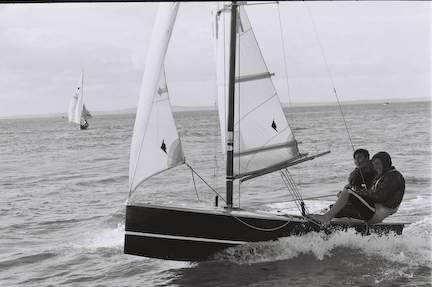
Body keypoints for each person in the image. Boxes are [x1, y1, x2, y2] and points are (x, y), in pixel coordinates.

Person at [309, 151, 405, 224]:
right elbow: (371, 193)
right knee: (338, 209)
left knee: (348, 192)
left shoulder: (394, 176)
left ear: (386, 163)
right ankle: (328, 222)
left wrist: (356, 194)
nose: (375, 167)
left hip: (378, 212)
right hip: (374, 209)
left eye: (378, 164)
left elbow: (379, 196)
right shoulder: (383, 175)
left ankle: (325, 218)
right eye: (374, 164)